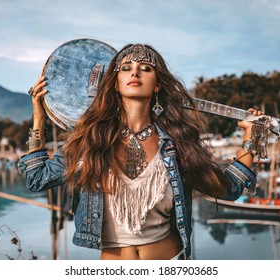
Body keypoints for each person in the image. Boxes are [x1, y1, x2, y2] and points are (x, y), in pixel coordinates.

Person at [17, 43, 263, 260]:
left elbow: (229, 189)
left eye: (146, 68)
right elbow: (36, 178)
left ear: (157, 85)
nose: (135, 71)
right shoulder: (90, 141)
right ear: (114, 82)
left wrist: (250, 137)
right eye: (126, 68)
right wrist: (39, 119)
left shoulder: (177, 143)